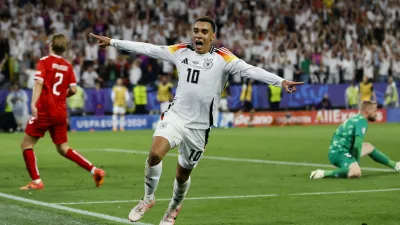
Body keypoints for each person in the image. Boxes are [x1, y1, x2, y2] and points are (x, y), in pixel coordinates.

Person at [91, 16, 302, 225]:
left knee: (182, 174)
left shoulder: (223, 57)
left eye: (203, 32)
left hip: (200, 127)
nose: (198, 35)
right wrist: (113, 42)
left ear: (213, 36)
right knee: (155, 154)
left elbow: (251, 70)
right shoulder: (180, 50)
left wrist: (280, 81)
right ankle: (147, 199)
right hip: (176, 117)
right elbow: (148, 48)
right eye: (196, 30)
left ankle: (173, 209)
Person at [20, 34, 105, 190]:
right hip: (60, 111)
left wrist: (33, 103)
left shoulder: (44, 62)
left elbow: (39, 82)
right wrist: (60, 96)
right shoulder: (68, 66)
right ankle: (95, 170)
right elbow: (73, 89)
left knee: (26, 144)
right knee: (63, 148)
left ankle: (37, 181)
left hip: (44, 110)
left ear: (51, 45)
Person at [310, 101, 400, 179]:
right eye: (375, 110)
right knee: (355, 172)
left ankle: (396, 165)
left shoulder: (357, 118)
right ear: (368, 111)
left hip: (341, 150)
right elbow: (357, 145)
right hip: (339, 153)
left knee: (368, 147)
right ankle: (323, 173)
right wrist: (356, 163)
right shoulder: (362, 121)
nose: (376, 113)